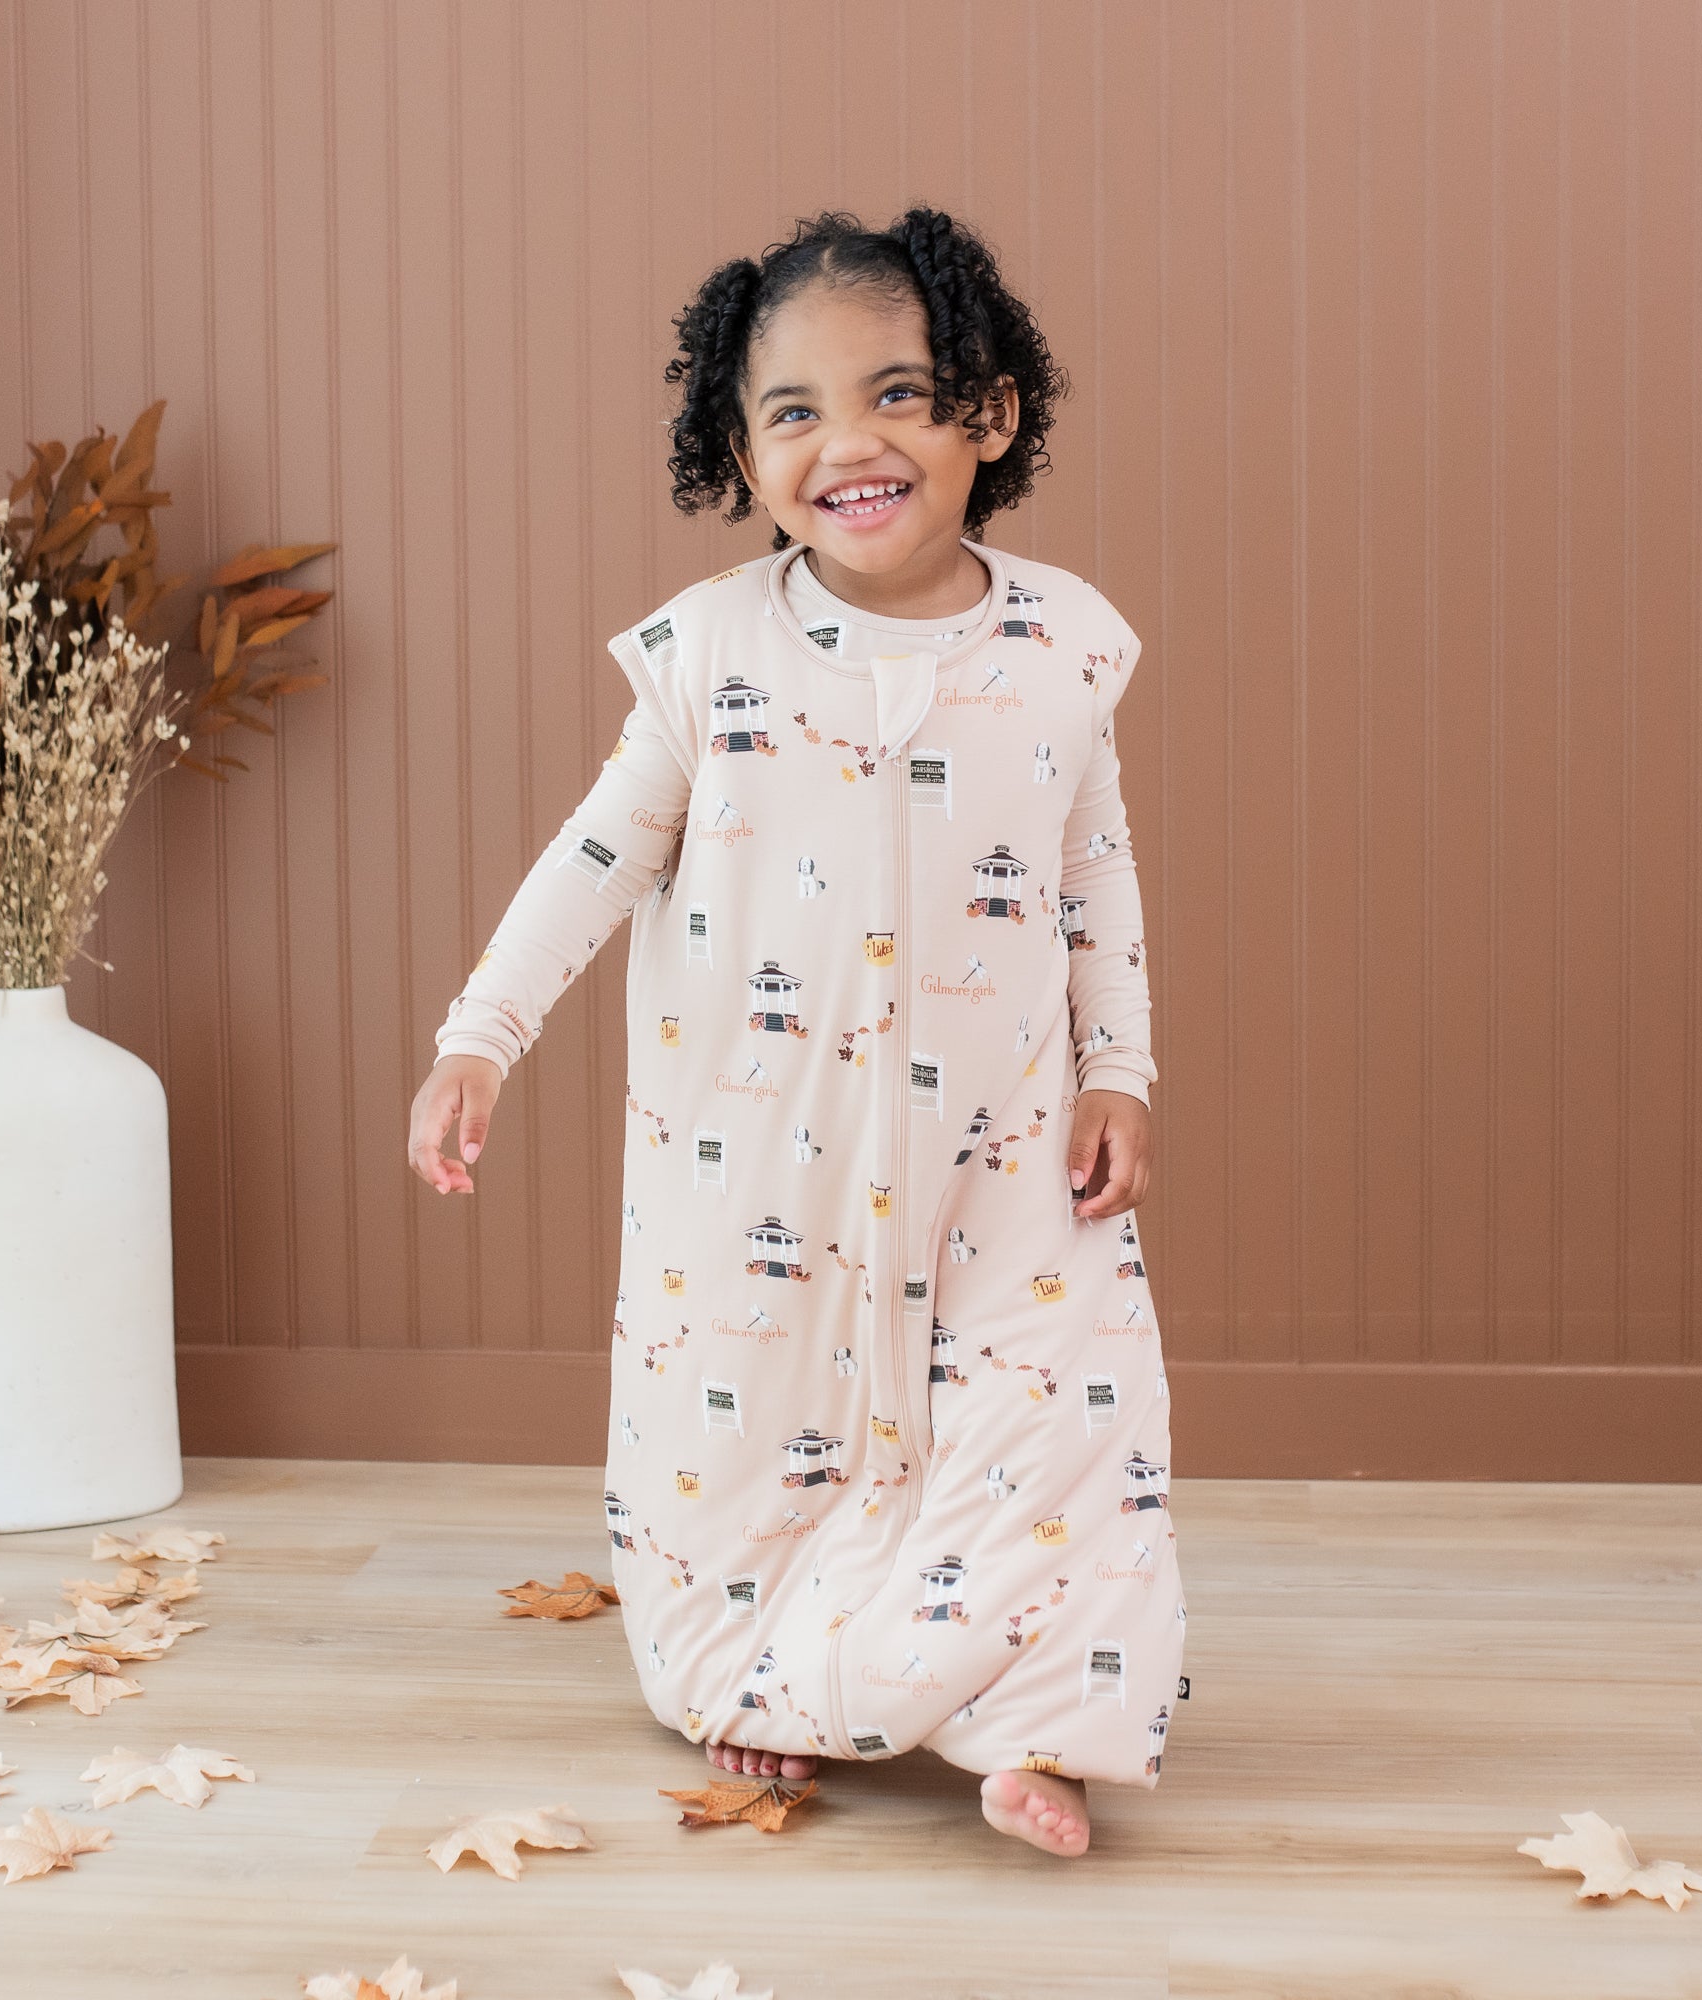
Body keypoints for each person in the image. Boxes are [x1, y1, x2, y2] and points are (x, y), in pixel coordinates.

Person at [407, 208, 1183, 1858]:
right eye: (796, 411)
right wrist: (482, 1035)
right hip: (764, 1143)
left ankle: (1040, 1723)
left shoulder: (1060, 649)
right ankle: (767, 1676)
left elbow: (1094, 877)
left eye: (902, 394)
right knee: (751, 1433)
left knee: (1050, 1420)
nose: (854, 442)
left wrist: (1122, 1067)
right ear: (738, 450)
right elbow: (594, 861)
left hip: (1003, 1145)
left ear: (992, 415)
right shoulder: (714, 659)